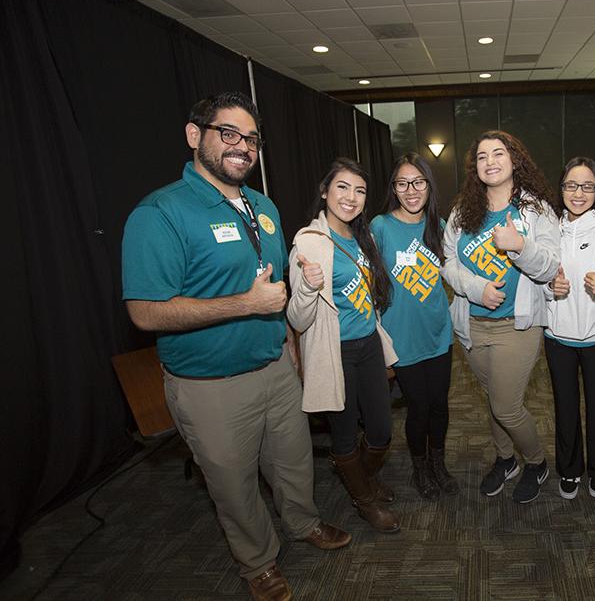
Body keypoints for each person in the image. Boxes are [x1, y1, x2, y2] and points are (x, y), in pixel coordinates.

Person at [122, 92, 350, 601]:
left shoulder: (261, 206)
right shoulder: (160, 213)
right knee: (234, 486)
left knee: (294, 463)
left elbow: (275, 289)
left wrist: (289, 342)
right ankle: (258, 563)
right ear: (193, 135)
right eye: (228, 133)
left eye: (250, 138)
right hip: (209, 387)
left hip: (274, 369)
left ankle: (303, 524)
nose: (241, 147)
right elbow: (145, 311)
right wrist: (244, 304)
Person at [442, 130, 560, 504]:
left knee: (506, 405)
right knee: (495, 397)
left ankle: (537, 462)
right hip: (472, 325)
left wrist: (520, 246)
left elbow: (550, 266)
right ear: (474, 167)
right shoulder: (463, 210)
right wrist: (477, 288)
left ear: (515, 160)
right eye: (481, 156)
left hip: (516, 326)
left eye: (498, 153)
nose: (490, 161)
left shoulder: (536, 208)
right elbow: (448, 262)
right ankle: (506, 459)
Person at [286, 158, 400, 534]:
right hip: (335, 353)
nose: (351, 197)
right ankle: (364, 500)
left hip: (368, 344)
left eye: (360, 190)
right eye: (342, 187)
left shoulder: (360, 236)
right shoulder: (309, 242)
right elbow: (298, 319)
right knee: (345, 432)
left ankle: (361, 481)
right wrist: (306, 285)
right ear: (324, 191)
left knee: (382, 430)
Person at [371, 153, 458, 500]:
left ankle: (439, 463)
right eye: (402, 183)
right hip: (401, 336)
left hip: (438, 332)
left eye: (418, 182)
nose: (411, 190)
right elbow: (367, 281)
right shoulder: (379, 226)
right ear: (394, 188)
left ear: (428, 186)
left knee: (440, 404)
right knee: (418, 405)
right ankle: (420, 468)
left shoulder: (440, 225)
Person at [544, 157, 595, 500]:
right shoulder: (549, 228)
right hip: (557, 337)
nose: (578, 193)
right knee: (565, 407)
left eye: (587, 186)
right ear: (561, 189)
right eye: (571, 185)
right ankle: (570, 469)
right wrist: (550, 289)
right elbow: (538, 279)